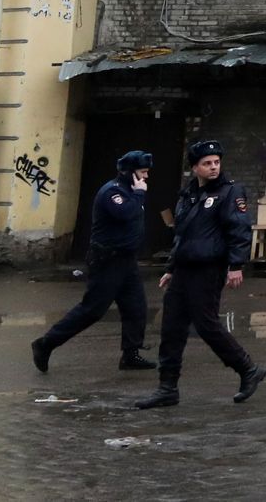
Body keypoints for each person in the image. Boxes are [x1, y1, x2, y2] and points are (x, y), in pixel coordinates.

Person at [135, 140, 265, 409]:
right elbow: (182, 235)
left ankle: (247, 369)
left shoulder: (230, 192)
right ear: (195, 168)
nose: (214, 167)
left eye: (216, 162)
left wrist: (236, 265)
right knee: (171, 327)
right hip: (184, 269)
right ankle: (167, 387)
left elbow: (239, 230)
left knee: (206, 325)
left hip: (209, 268)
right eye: (207, 163)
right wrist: (171, 268)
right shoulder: (188, 195)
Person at [32, 151, 158, 373]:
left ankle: (131, 354)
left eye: (147, 172)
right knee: (93, 310)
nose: (146, 177)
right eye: (142, 172)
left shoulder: (130, 190)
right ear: (129, 173)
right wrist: (139, 195)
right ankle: (45, 343)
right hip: (107, 260)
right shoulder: (113, 192)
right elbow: (125, 214)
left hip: (126, 260)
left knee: (136, 308)